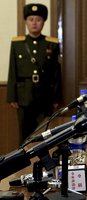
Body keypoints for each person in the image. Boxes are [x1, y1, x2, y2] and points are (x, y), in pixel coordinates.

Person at [6, 3, 62, 145]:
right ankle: (23, 165)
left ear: (43, 22)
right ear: (25, 21)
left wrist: (57, 97)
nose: (34, 23)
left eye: (38, 19)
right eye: (31, 19)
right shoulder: (17, 43)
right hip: (24, 96)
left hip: (45, 96)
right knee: (24, 134)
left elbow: (56, 73)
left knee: (46, 134)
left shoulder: (52, 44)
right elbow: (12, 70)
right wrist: (12, 96)